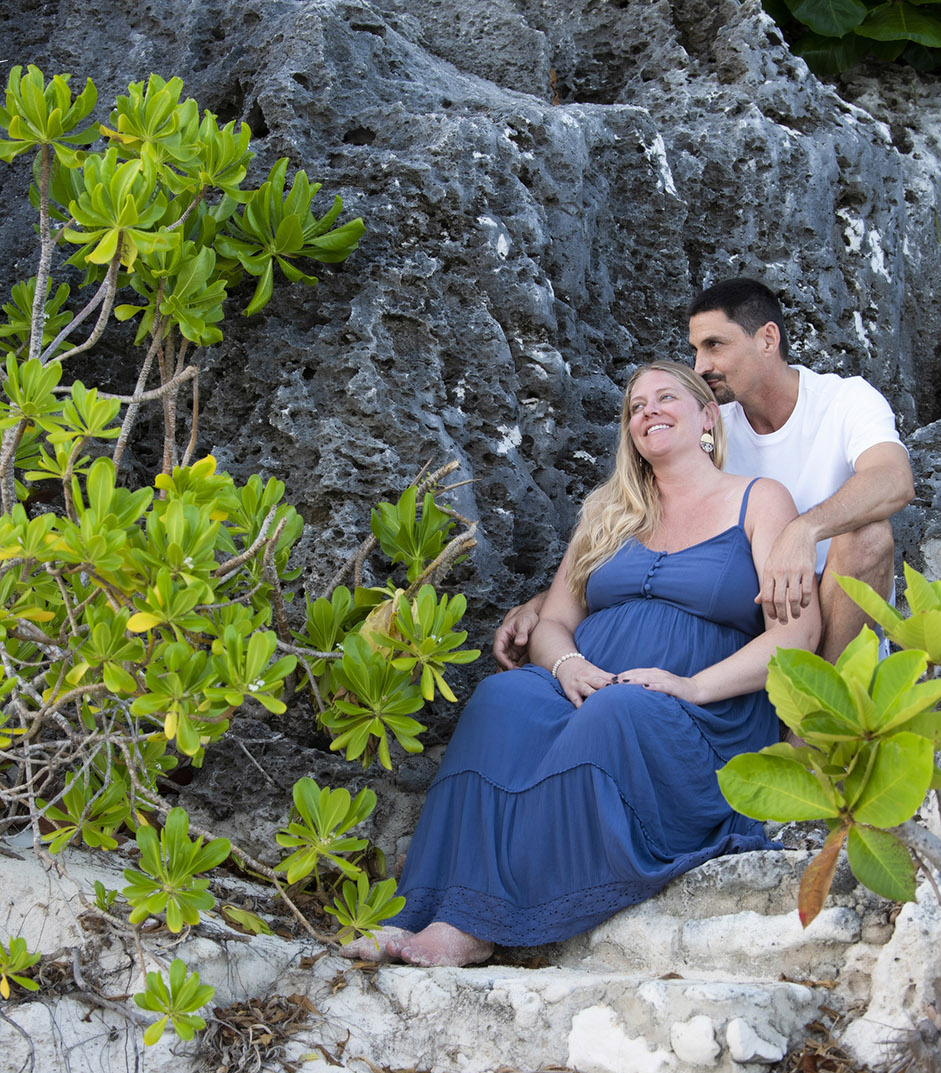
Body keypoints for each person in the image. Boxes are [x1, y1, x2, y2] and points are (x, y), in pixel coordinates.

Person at [344, 362, 820, 967]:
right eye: (636, 406)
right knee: (503, 699)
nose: (647, 411)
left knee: (618, 710)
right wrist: (565, 664)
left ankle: (477, 922)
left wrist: (692, 685)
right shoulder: (608, 511)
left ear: (707, 416)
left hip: (701, 714)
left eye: (665, 397)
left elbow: (797, 631)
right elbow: (556, 619)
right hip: (588, 687)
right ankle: (428, 908)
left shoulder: (759, 500)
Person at [496, 278, 913, 667]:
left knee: (867, 535)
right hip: (746, 617)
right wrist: (547, 604)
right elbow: (656, 532)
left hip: (831, 608)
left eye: (714, 345)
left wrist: (802, 532)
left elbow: (893, 480)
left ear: (768, 339)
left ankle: (817, 721)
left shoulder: (844, 400)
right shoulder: (712, 428)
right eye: (696, 349)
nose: (700, 366)